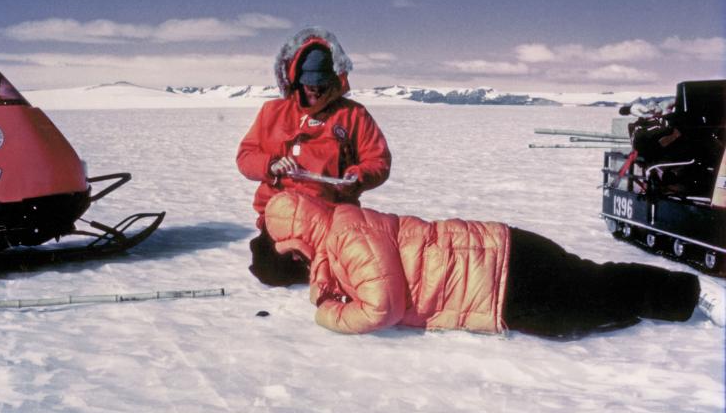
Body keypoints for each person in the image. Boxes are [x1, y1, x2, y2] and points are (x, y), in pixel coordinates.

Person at [262, 190, 725, 338]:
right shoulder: (340, 233)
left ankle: (690, 294)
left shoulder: (348, 234)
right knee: (590, 297)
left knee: (586, 304)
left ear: (296, 237)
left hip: (501, 272)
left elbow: (381, 305)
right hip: (499, 263)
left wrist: (328, 315)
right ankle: (676, 298)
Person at [237, 27, 392, 286]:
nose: (316, 92)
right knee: (270, 270)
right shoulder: (272, 112)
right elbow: (245, 157)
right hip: (282, 214)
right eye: (310, 85)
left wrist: (357, 176)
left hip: (332, 213)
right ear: (296, 79)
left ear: (334, 80)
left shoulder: (354, 115)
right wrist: (271, 164)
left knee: (352, 272)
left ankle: (321, 261)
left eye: (322, 85)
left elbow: (379, 161)